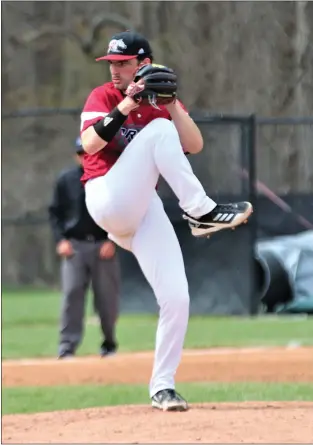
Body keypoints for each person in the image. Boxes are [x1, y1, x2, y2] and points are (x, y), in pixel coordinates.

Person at [80, 30, 253, 411]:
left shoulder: (162, 105)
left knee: (177, 297)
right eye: (111, 64)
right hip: (107, 196)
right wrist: (126, 105)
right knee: (157, 131)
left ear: (143, 64)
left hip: (143, 209)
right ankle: (200, 210)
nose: (115, 71)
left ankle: (163, 387)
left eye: (123, 64)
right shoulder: (104, 97)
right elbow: (88, 145)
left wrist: (172, 105)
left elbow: (194, 144)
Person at [48, 137, 120, 359]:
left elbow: (120, 211)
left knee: (107, 299)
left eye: (88, 152)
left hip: (102, 246)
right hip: (75, 246)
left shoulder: (109, 177)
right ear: (75, 156)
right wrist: (61, 239)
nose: (84, 157)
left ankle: (109, 344)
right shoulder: (66, 179)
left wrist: (113, 239)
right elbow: (55, 213)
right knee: (72, 295)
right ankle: (67, 347)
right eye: (81, 153)